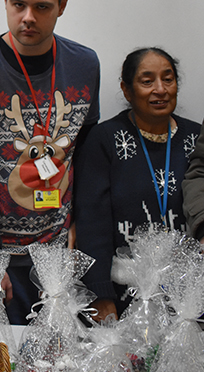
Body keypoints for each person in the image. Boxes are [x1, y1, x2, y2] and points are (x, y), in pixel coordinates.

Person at [0, 0, 100, 324]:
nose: (28, 17)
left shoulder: (85, 65)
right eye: (18, 4)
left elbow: (85, 157)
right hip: (6, 256)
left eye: (42, 6)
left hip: (62, 254)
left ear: (62, 6)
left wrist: (79, 225)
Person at [73, 48, 199, 320]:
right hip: (125, 293)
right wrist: (101, 293)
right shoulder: (105, 139)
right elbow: (92, 221)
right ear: (127, 90)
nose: (160, 89)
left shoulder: (196, 137)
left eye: (168, 79)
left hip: (189, 291)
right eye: (147, 81)